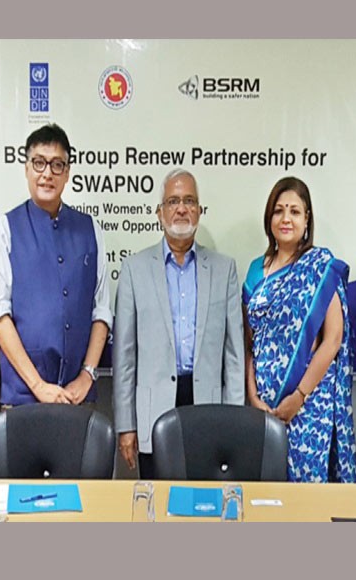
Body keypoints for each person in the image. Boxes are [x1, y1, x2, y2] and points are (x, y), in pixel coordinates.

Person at [113, 169, 244, 478]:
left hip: (208, 408)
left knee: (205, 507)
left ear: (199, 210)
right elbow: (124, 357)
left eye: (189, 200)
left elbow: (234, 355)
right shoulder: (134, 269)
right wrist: (126, 425)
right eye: (173, 201)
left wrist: (235, 419)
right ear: (160, 213)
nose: (181, 208)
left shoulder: (224, 269)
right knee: (157, 506)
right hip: (153, 410)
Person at [0, 123, 111, 407]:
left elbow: (101, 311)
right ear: (26, 168)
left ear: (67, 173)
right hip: (23, 397)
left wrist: (87, 376)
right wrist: (38, 385)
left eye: (56, 165)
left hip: (78, 396)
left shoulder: (90, 229)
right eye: (39, 163)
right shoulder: (6, 228)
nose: (47, 173)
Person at [243, 176, 356, 483]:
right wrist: (253, 395)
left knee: (305, 499)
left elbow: (332, 339)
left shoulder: (319, 266)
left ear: (307, 219)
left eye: (294, 211)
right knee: (264, 493)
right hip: (263, 407)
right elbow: (250, 342)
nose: (285, 218)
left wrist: (300, 396)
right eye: (278, 211)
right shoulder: (255, 269)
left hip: (308, 406)